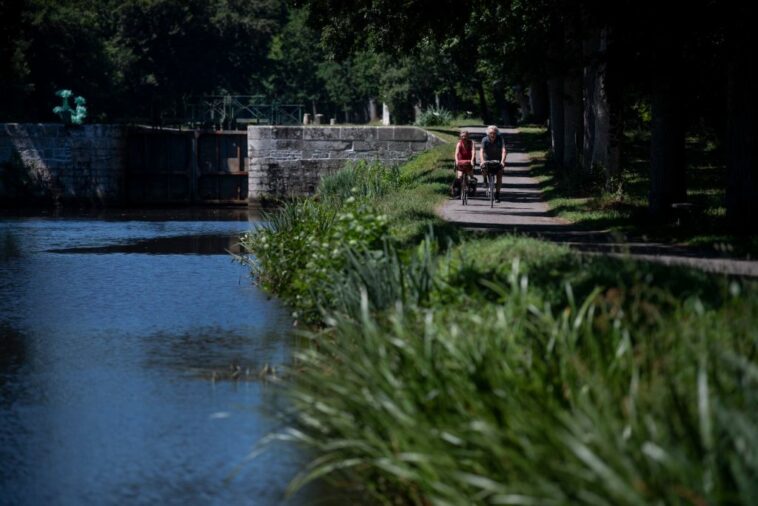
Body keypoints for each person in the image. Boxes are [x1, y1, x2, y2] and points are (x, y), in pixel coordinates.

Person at [479, 125, 507, 202]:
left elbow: (503, 150)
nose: (493, 135)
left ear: (497, 133)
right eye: (491, 133)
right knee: (483, 169)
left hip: (497, 160)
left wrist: (502, 161)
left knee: (499, 175)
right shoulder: (484, 140)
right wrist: (482, 161)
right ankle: (485, 179)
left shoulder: (500, 139)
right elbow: (481, 151)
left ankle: (497, 194)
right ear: (488, 133)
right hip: (486, 160)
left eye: (494, 133)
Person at [453, 130, 476, 197]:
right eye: (462, 136)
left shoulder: (471, 143)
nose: (464, 137)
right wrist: (456, 160)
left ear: (468, 136)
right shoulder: (459, 143)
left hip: (469, 160)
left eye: (465, 136)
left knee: (471, 177)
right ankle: (457, 192)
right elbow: (456, 153)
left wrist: (472, 160)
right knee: (459, 177)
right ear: (460, 136)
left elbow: (473, 151)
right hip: (460, 160)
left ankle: (472, 190)